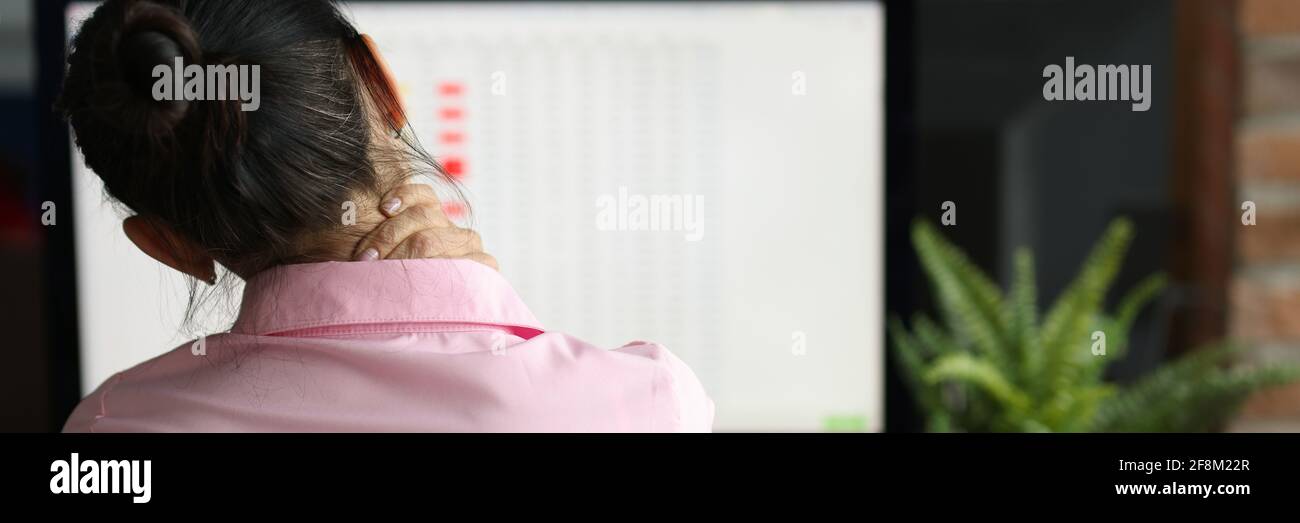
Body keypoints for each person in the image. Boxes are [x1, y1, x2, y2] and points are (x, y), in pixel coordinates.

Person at [58, 0, 713, 432]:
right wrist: (482, 306)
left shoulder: (114, 428)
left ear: (166, 243)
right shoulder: (652, 405)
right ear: (379, 80)